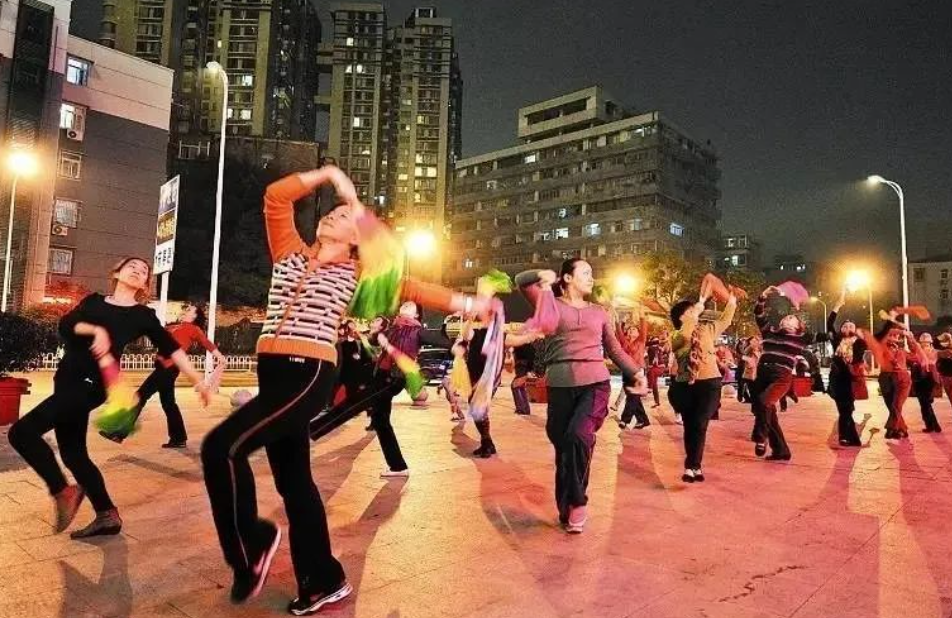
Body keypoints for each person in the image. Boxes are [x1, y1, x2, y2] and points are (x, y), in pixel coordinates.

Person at [200, 166, 490, 613]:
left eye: (343, 218)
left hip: (308, 372)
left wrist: (470, 302)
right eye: (331, 213)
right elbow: (276, 197)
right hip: (272, 371)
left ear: (358, 239)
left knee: (222, 447)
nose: (332, 216)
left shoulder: (358, 275)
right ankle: (324, 579)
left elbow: (412, 287)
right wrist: (326, 174)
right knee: (294, 482)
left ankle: (254, 541)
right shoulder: (290, 253)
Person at [8, 257, 210, 539]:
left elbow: (172, 348)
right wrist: (96, 330)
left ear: (145, 283)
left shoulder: (143, 315)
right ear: (117, 272)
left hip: (92, 384)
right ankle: (107, 515)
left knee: (21, 432)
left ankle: (63, 491)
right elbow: (66, 326)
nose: (138, 271)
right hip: (66, 379)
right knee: (73, 453)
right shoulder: (93, 302)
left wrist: (198, 379)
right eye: (132, 266)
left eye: (144, 271)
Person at [516, 259, 636, 534]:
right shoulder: (550, 305)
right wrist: (542, 274)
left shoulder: (599, 312)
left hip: (595, 385)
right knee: (564, 448)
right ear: (567, 278)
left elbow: (614, 349)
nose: (592, 278)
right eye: (586, 273)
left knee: (578, 436)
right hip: (560, 387)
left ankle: (579, 500)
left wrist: (636, 372)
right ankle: (566, 505)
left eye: (592, 274)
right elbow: (522, 281)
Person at [100, 302, 224, 448]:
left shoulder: (194, 329)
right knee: (169, 404)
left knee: (140, 396)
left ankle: (119, 433)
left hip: (169, 368)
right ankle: (179, 438)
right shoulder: (174, 326)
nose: (186, 310)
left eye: (190, 309)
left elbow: (207, 343)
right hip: (162, 367)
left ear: (195, 316)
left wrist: (220, 356)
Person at [669, 289, 737, 483]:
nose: (694, 313)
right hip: (685, 385)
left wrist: (731, 300)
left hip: (709, 384)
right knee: (690, 426)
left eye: (694, 311)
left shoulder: (707, 330)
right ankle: (693, 467)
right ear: (680, 318)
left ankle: (692, 465)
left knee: (699, 423)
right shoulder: (676, 336)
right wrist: (696, 311)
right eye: (689, 312)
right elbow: (686, 334)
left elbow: (725, 320)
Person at [751, 287, 818, 461]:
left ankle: (760, 437)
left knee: (764, 402)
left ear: (798, 327)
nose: (787, 318)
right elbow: (758, 314)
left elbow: (820, 335)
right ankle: (781, 450)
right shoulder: (769, 332)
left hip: (781, 376)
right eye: (786, 317)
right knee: (766, 412)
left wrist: (798, 308)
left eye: (791, 318)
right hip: (762, 374)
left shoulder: (801, 338)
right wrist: (763, 296)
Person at [863, 312, 922, 441]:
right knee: (891, 405)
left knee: (897, 404)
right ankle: (902, 429)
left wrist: (910, 338)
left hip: (902, 379)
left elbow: (916, 357)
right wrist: (900, 331)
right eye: (892, 334)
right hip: (886, 378)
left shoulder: (902, 351)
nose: (895, 336)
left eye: (897, 335)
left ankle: (891, 429)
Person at [826, 292, 867, 446]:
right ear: (841, 329)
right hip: (837, 378)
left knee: (847, 409)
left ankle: (850, 437)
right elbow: (830, 324)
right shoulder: (837, 340)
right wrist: (837, 306)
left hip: (852, 379)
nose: (848, 327)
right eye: (845, 326)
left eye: (851, 326)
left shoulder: (860, 343)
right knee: (843, 408)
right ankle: (848, 437)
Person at [616, 309, 650, 429]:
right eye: (630, 329)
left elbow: (644, 329)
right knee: (633, 396)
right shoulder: (624, 343)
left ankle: (625, 420)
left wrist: (642, 316)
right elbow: (619, 332)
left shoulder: (641, 341)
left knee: (633, 395)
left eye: (634, 329)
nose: (632, 330)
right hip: (626, 371)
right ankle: (643, 420)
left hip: (638, 371)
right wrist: (619, 321)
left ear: (638, 333)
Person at [910, 332, 941, 433]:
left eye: (926, 343)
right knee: (925, 403)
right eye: (924, 343)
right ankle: (934, 425)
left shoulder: (930, 352)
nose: (925, 345)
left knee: (925, 403)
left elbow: (925, 363)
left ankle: (932, 426)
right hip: (924, 378)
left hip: (925, 378)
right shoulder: (930, 351)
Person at [646, 332, 668, 408]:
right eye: (654, 342)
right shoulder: (650, 349)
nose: (655, 343)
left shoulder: (659, 348)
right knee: (654, 384)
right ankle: (657, 402)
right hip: (654, 368)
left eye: (656, 342)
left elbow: (665, 349)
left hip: (660, 368)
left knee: (650, 372)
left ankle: (649, 387)